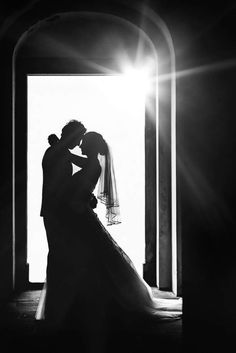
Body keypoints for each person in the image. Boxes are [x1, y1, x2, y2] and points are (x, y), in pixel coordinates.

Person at [37, 130, 182, 351]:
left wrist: (82, 196)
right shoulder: (91, 163)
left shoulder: (92, 165)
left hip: (80, 217)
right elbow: (73, 167)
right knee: (96, 260)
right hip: (80, 215)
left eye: (84, 142)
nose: (81, 145)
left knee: (92, 261)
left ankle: (94, 305)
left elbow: (76, 188)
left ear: (92, 146)